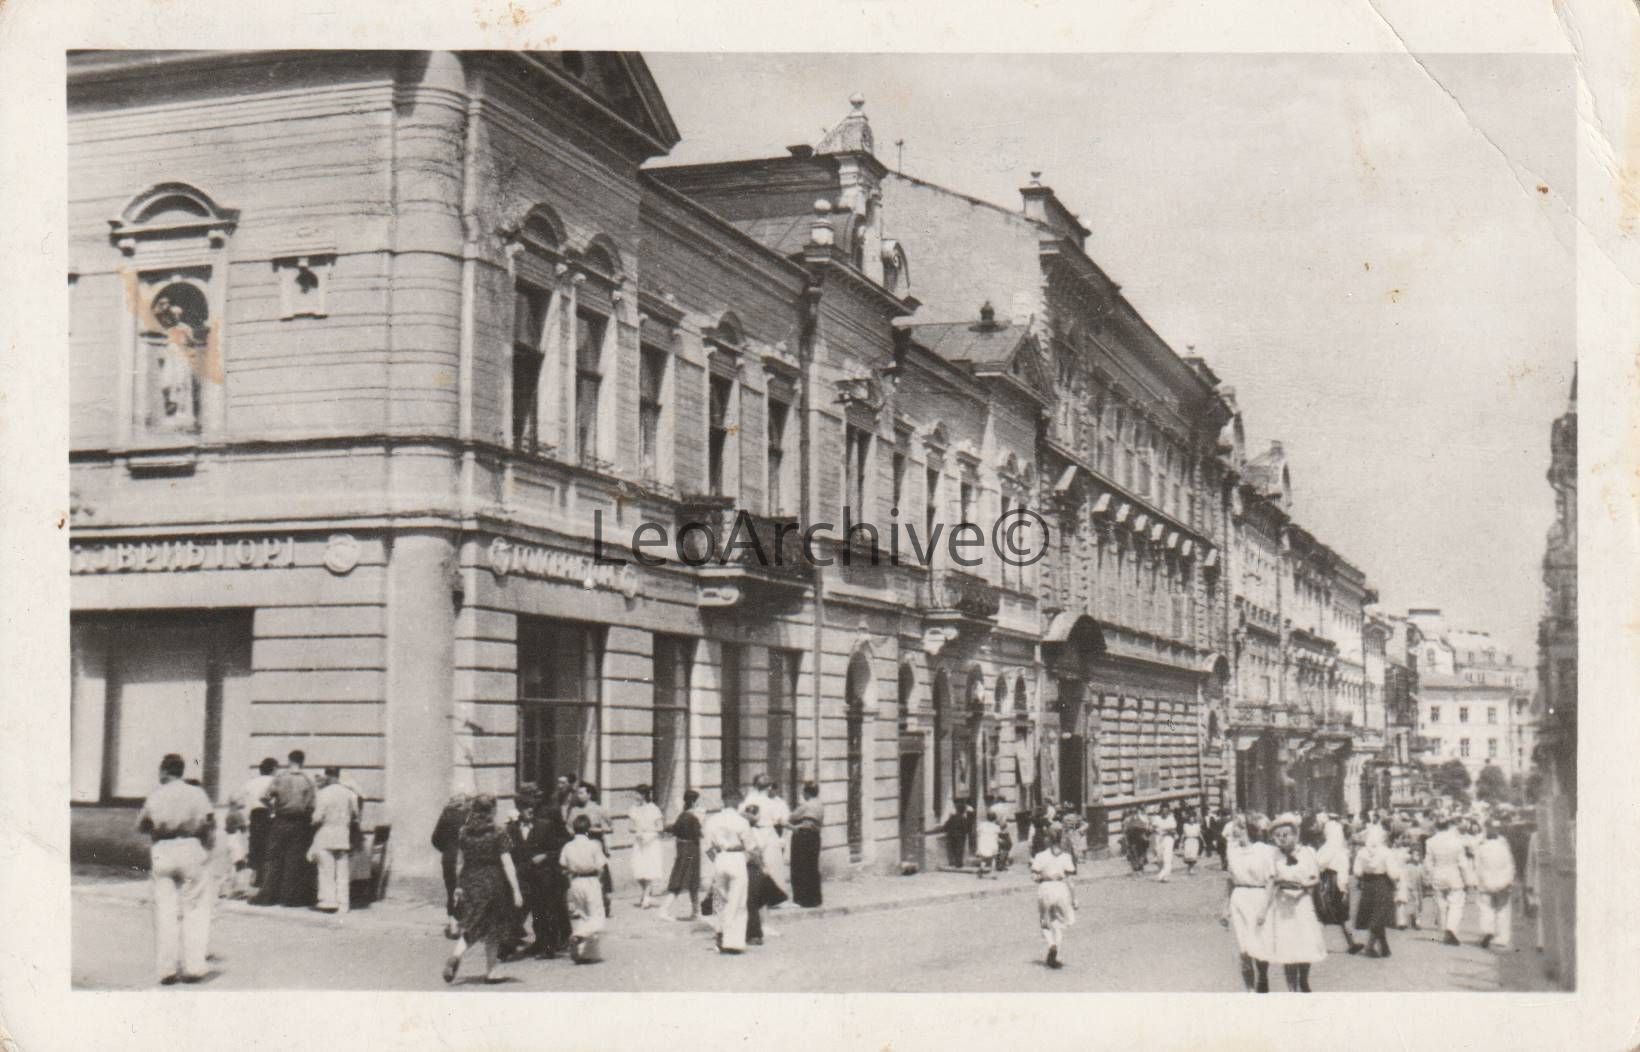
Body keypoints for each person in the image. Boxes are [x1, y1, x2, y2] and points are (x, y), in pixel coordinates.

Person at [138, 753, 216, 985]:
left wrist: (158, 827)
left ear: (164, 771)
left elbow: (141, 825)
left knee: (165, 911)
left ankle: (167, 970)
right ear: (181, 771)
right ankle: (194, 967)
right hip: (191, 846)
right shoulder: (197, 793)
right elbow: (209, 822)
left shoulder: (156, 795)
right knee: (195, 908)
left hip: (163, 848)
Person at [442, 795, 524, 984]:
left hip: (470, 881)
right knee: (493, 928)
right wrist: (516, 890)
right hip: (492, 882)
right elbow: (507, 863)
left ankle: (456, 954)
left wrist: (458, 886)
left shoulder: (464, 832)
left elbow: (460, 862)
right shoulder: (498, 832)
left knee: (473, 924)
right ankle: (491, 971)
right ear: (492, 810)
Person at [1259, 813, 1327, 992]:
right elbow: (1271, 882)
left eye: (1285, 834)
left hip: (1302, 904)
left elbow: (1316, 878)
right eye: (1277, 836)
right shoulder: (1273, 856)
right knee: (1288, 948)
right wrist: (1263, 911)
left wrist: (1305, 884)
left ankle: (1303, 980)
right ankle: (1291, 989)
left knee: (1305, 944)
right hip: (1283, 906)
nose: (1281, 839)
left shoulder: (1307, 853)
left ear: (1295, 835)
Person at [508, 786, 569, 958]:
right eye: (526, 807)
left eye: (532, 807)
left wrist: (545, 856)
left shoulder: (545, 825)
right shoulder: (512, 829)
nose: (530, 810)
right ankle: (533, 943)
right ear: (518, 809)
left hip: (544, 876)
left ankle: (548, 947)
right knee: (526, 912)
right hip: (524, 877)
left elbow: (560, 849)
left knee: (545, 911)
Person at [254, 750, 316, 907]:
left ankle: (268, 895)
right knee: (293, 859)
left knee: (273, 858)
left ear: (289, 761)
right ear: (303, 762)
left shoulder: (280, 777)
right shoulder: (308, 780)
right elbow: (312, 805)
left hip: (281, 820)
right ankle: (289, 897)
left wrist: (272, 809)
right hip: (299, 822)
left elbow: (264, 797)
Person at [1221, 815, 1275, 992]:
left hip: (1258, 898)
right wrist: (1225, 908)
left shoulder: (1264, 850)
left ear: (1250, 829)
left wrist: (1264, 909)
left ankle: (1263, 977)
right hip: (1239, 899)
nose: (1236, 830)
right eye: (1235, 826)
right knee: (1243, 949)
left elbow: (1270, 881)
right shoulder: (1233, 852)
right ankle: (1250, 991)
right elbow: (1230, 881)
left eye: (1241, 826)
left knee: (1259, 945)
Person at [703, 791, 756, 953]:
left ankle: (720, 934)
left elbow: (707, 847)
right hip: (737, 858)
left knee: (720, 900)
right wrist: (750, 859)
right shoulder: (741, 821)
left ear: (723, 800)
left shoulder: (712, 820)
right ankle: (733, 942)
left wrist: (717, 861)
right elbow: (751, 847)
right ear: (737, 801)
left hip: (720, 858)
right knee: (738, 901)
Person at [560, 814, 610, 964]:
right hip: (591, 880)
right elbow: (601, 866)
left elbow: (563, 864)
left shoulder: (568, 846)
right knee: (596, 916)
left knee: (582, 915)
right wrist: (600, 882)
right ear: (588, 830)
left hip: (575, 881)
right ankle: (578, 936)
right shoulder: (594, 845)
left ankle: (586, 954)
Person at [311, 766, 359, 916]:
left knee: (326, 870)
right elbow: (355, 815)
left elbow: (317, 817)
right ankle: (344, 904)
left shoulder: (323, 793)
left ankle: (329, 901)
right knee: (343, 871)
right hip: (343, 834)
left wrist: (313, 822)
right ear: (338, 775)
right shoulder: (350, 793)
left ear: (327, 776)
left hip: (326, 834)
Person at [1313, 814, 1363, 954]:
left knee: (1322, 913)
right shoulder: (1341, 849)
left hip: (1328, 882)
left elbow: (1318, 863)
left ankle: (1316, 944)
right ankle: (1351, 943)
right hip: (1339, 882)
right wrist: (1344, 887)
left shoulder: (1327, 848)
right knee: (1341, 915)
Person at [1031, 829, 1079, 969]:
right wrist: (1075, 898)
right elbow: (1070, 880)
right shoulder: (1066, 857)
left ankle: (1051, 944)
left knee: (1044, 921)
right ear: (1060, 839)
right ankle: (1055, 953)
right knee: (1058, 922)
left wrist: (1042, 877)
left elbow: (1034, 876)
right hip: (1061, 889)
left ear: (1048, 839)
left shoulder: (1040, 856)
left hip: (1045, 888)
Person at [1424, 817, 1475, 946]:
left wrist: (1430, 876)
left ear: (1436, 826)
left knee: (1440, 904)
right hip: (1454, 875)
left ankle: (1443, 932)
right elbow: (1462, 863)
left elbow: (1428, 862)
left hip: (1438, 874)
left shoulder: (1430, 841)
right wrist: (1468, 881)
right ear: (1448, 826)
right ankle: (1451, 928)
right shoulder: (1457, 841)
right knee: (1456, 904)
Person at [1352, 824, 1400, 958]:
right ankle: (1370, 946)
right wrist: (1397, 879)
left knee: (1374, 915)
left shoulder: (1361, 852)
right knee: (1379, 916)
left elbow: (1357, 871)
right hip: (1382, 883)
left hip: (1368, 884)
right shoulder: (1386, 852)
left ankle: (1384, 947)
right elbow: (1393, 873)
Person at [567, 782, 614, 915]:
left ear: (589, 794)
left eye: (582, 793)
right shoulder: (574, 810)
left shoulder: (598, 809)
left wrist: (596, 830)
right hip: (579, 845)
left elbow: (611, 827)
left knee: (599, 875)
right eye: (578, 793)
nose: (579, 796)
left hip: (595, 844)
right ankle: (582, 905)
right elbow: (568, 827)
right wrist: (573, 832)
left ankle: (604, 903)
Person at [658, 789, 705, 921]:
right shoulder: (693, 818)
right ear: (694, 802)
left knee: (691, 881)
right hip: (691, 851)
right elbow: (700, 835)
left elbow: (673, 829)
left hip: (683, 850)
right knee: (682, 881)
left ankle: (696, 912)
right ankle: (664, 909)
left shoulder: (682, 816)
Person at [233, 757, 278, 891]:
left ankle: (256, 878)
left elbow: (239, 800)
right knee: (270, 847)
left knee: (256, 847)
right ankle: (266, 879)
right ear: (273, 769)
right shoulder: (274, 781)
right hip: (270, 815)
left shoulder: (250, 783)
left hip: (255, 816)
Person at [1474, 822, 1518, 951]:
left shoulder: (1481, 848)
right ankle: (1502, 937)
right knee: (1503, 910)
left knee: (1486, 908)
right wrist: (1509, 881)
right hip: (1502, 883)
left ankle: (1487, 930)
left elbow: (1477, 866)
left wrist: (1478, 881)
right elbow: (1510, 866)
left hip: (1486, 883)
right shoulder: (1504, 848)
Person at [431, 792, 468, 932]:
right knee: (465, 890)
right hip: (465, 858)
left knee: (451, 890)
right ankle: (464, 922)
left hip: (449, 857)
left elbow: (435, 839)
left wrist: (446, 849)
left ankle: (453, 924)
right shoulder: (469, 816)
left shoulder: (445, 815)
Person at [629, 785, 666, 910]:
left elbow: (660, 827)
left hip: (651, 841)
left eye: (637, 794)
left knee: (650, 869)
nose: (635, 796)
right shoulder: (634, 809)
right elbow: (630, 827)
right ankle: (646, 892)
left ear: (643, 795)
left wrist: (648, 832)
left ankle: (646, 897)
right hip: (639, 841)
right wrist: (638, 831)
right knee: (638, 868)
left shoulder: (653, 809)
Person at [788, 782, 825, 907]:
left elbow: (791, 817)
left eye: (804, 792)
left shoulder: (806, 805)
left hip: (803, 837)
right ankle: (815, 899)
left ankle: (802, 899)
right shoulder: (820, 805)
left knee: (800, 867)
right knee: (812, 867)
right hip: (815, 837)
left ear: (807, 793)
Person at [1122, 808, 1151, 875]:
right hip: (1132, 838)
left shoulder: (1142, 818)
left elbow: (1147, 827)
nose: (1133, 814)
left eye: (1135, 812)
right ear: (1130, 813)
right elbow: (1125, 831)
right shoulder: (1127, 820)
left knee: (1141, 851)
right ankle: (1135, 867)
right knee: (1133, 851)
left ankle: (1141, 865)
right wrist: (1126, 839)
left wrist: (1145, 835)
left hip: (1140, 836)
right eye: (1132, 813)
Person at [1152, 807, 1177, 882]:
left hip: (1168, 839)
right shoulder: (1157, 818)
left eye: (1166, 811)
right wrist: (1157, 830)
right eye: (1163, 811)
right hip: (1159, 839)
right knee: (1160, 858)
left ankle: (1163, 876)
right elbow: (1153, 828)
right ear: (1161, 811)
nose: (1165, 813)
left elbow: (1173, 830)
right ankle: (1162, 874)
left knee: (1167, 857)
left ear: (1168, 811)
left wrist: (1166, 831)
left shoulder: (1171, 818)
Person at [974, 808, 1000, 878]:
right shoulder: (996, 827)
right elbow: (997, 834)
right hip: (992, 843)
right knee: (993, 858)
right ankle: (993, 873)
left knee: (984, 858)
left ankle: (981, 869)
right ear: (994, 818)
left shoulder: (982, 825)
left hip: (984, 843)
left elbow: (978, 832)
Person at [942, 804, 970, 869]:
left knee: (953, 849)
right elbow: (966, 829)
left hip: (951, 836)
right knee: (959, 849)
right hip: (960, 836)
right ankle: (959, 864)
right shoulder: (963, 819)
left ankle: (952, 862)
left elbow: (945, 826)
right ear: (963, 811)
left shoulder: (952, 817)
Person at [1180, 810, 1203, 876]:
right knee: (1188, 855)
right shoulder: (1185, 825)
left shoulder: (1197, 825)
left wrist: (1204, 842)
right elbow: (1183, 834)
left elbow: (1199, 834)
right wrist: (1181, 842)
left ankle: (1191, 868)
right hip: (1188, 841)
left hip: (1195, 841)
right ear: (1188, 818)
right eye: (1190, 818)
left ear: (1194, 818)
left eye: (1193, 818)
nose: (1191, 819)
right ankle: (1189, 867)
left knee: (1193, 855)